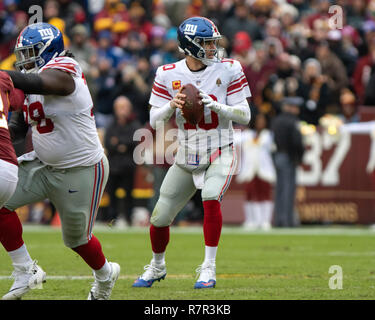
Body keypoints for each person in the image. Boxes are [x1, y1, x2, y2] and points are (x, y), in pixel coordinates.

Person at [0, 22, 120, 300]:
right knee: (0, 200)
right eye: (22, 53)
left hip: (81, 169)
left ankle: (105, 275)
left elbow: (55, 84)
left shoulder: (66, 67)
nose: (24, 60)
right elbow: (18, 128)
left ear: (47, 50)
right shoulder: (28, 80)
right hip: (41, 165)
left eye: (30, 52)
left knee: (77, 241)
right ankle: (25, 269)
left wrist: (6, 77)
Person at [132, 17, 251, 289]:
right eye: (208, 43)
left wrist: (218, 107)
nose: (213, 48)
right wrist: (170, 106)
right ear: (190, 46)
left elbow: (245, 115)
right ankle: (157, 265)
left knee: (210, 197)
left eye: (214, 42)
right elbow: (154, 121)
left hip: (220, 147)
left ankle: (208, 267)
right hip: (187, 152)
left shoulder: (229, 68)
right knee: (160, 217)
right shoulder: (167, 73)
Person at [104, 96, 141, 226]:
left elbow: (135, 141)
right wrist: (122, 145)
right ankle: (111, 220)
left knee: (128, 195)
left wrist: (118, 143)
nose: (122, 110)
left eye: (124, 107)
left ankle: (128, 219)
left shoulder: (134, 124)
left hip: (128, 166)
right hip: (113, 166)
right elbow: (108, 143)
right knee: (112, 195)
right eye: (119, 107)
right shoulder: (111, 124)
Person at [236, 112, 275, 230]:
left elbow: (270, 146)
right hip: (249, 169)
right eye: (258, 120)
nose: (260, 123)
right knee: (250, 194)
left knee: (265, 194)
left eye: (263, 121)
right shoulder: (246, 134)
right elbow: (235, 139)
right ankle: (251, 220)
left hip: (264, 169)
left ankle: (265, 221)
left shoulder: (268, 135)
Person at [271, 96, 305, 227]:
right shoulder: (293, 121)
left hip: (278, 156)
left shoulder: (276, 121)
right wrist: (299, 157)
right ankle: (287, 221)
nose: (297, 109)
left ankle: (278, 219)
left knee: (279, 189)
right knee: (288, 190)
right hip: (289, 158)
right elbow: (297, 142)